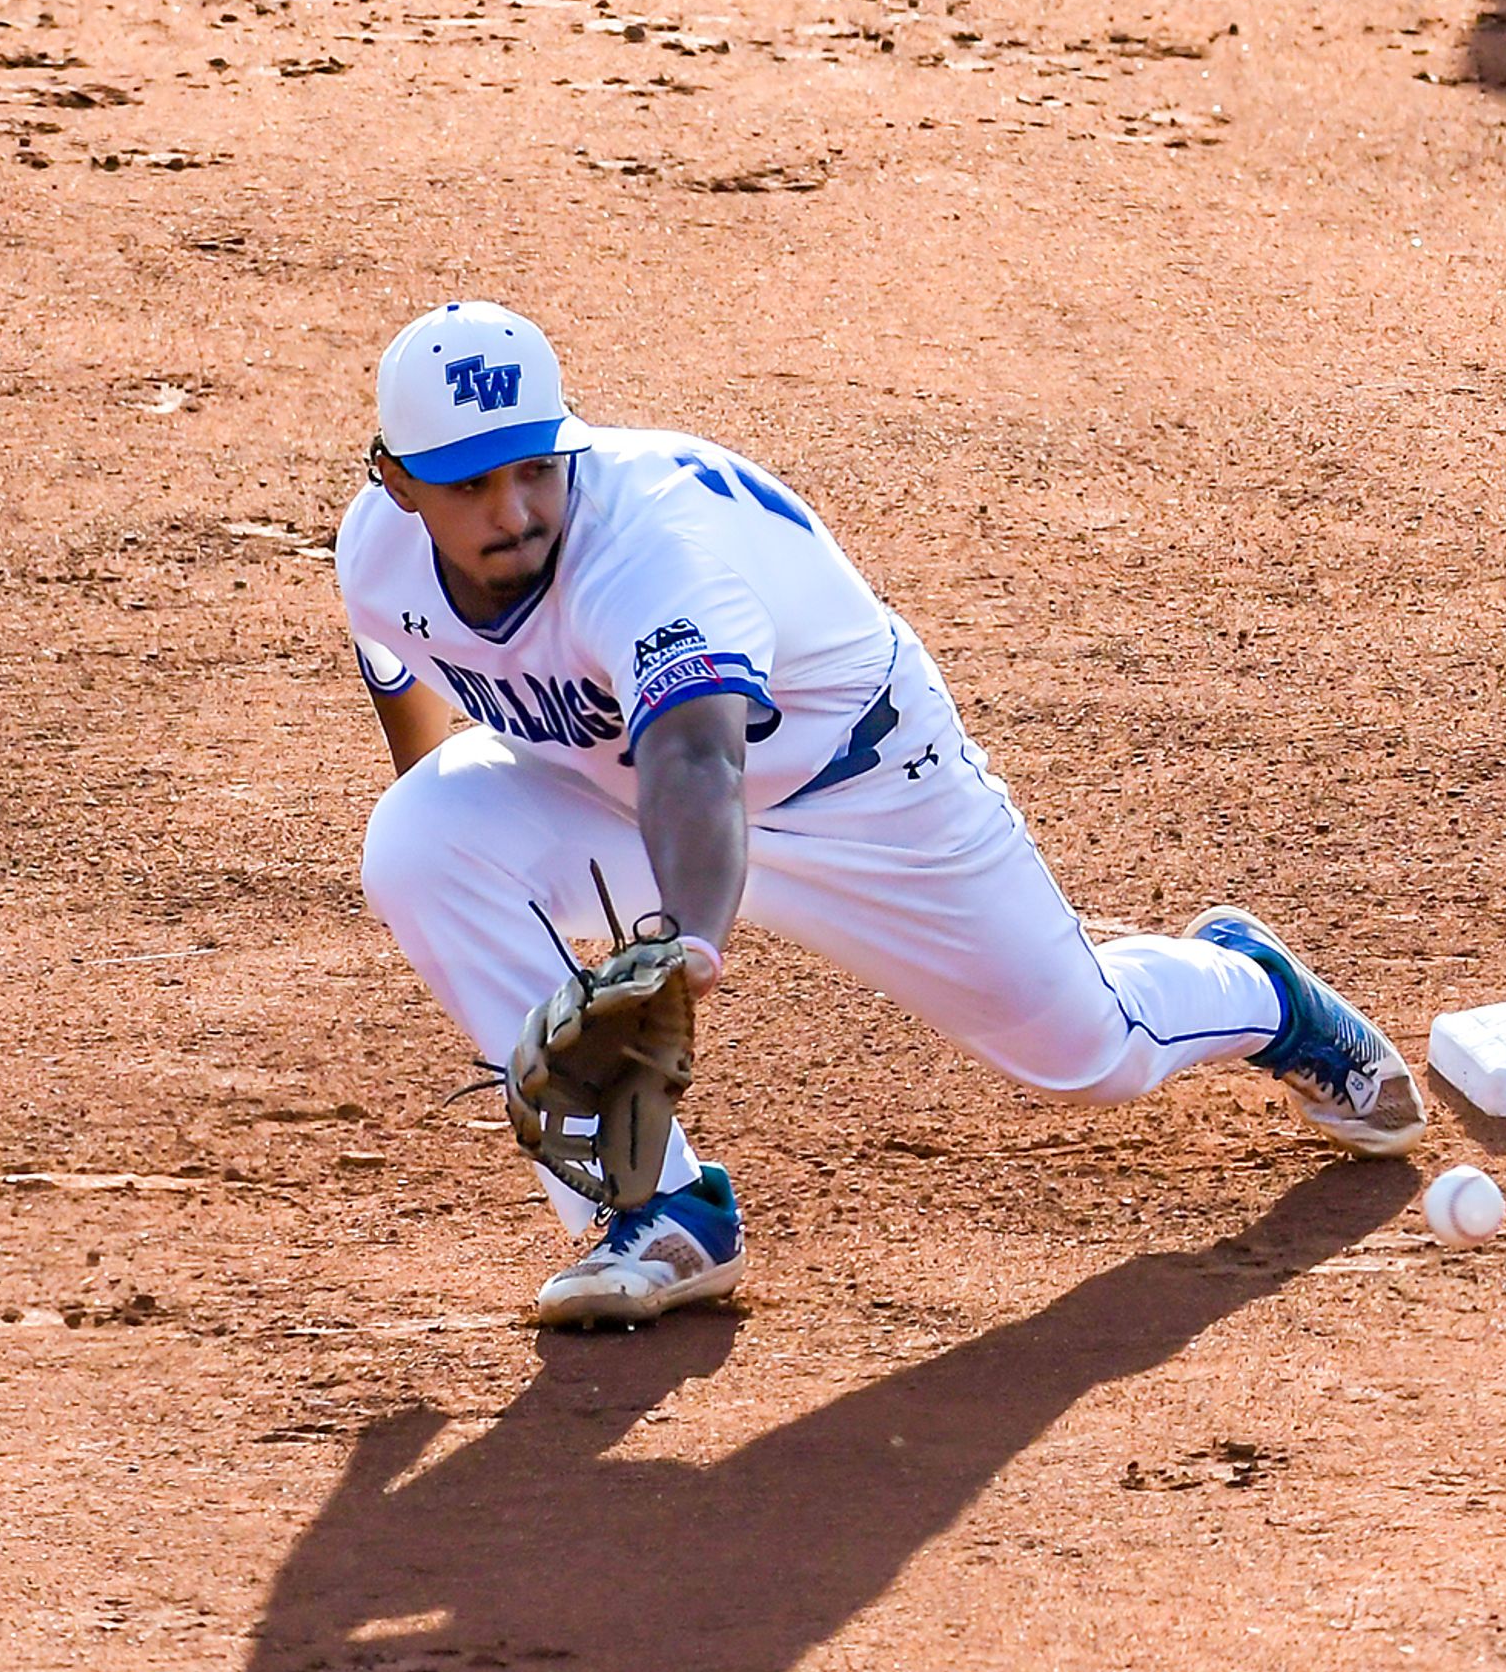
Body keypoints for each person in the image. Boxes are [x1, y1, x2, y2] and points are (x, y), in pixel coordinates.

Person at [341, 302, 1426, 1327]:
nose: (515, 510)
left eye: (537, 469)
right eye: (473, 484)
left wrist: (687, 946)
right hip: (610, 789)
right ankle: (660, 1219)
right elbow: (406, 666)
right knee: (419, 844)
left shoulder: (652, 550)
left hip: (862, 793)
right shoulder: (375, 554)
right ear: (396, 483)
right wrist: (460, 839)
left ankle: (1258, 992)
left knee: (1087, 1055)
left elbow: (696, 762)